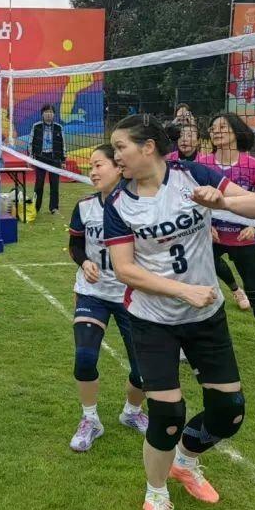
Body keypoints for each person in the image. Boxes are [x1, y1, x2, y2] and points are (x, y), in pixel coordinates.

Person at [104, 115, 255, 510]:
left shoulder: (192, 175)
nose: (114, 155)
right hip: (153, 320)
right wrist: (183, 291)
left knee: (229, 413)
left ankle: (186, 460)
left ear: (148, 147)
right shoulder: (118, 203)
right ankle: (156, 493)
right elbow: (125, 270)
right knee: (168, 414)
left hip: (205, 317)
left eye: (120, 147)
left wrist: (224, 202)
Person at [68, 144, 149, 452]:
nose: (92, 171)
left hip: (132, 294)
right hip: (93, 293)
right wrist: (84, 262)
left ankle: (132, 412)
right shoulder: (85, 207)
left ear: (118, 167)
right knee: (85, 358)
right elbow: (75, 245)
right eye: (91, 166)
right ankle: (90, 419)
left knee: (143, 370)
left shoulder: (140, 206)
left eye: (99, 165)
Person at [200, 113, 255, 361]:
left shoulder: (254, 165)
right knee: (195, 287)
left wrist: (254, 227)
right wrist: (204, 225)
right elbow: (191, 202)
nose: (216, 131)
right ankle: (191, 342)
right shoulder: (202, 164)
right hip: (210, 238)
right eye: (213, 128)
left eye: (222, 127)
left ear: (236, 132)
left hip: (243, 238)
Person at [30, 104, 65, 214]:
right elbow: (31, 142)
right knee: (39, 184)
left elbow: (63, 144)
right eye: (46, 112)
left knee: (54, 184)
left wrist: (63, 160)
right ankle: (36, 207)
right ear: (42, 114)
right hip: (40, 158)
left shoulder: (59, 127)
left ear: (54, 114)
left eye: (50, 112)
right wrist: (31, 158)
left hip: (55, 159)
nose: (48, 114)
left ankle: (54, 208)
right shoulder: (36, 126)